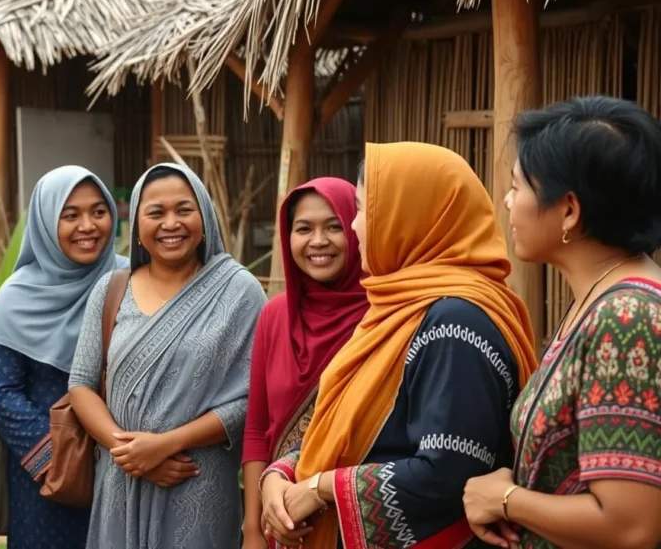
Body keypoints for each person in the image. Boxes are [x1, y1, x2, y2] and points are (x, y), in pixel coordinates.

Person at [259, 142, 540, 549]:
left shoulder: (454, 320)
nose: (354, 228)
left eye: (361, 211)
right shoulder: (396, 306)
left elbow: (449, 471)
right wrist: (281, 474)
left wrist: (321, 488)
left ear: (408, 217)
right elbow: (344, 425)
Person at [463, 96, 661, 549]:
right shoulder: (595, 301)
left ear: (569, 210)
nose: (508, 203)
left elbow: (631, 527)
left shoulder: (626, 318)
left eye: (517, 187)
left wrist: (505, 498)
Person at [68, 163, 267, 548]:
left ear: (205, 216)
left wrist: (165, 445)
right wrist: (128, 450)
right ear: (138, 226)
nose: (170, 223)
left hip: (197, 480)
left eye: (184, 210)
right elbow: (81, 384)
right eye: (156, 213)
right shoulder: (111, 289)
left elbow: (252, 401)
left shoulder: (240, 291)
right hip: (121, 479)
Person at [0, 165, 128, 549]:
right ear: (45, 222)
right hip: (51, 475)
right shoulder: (17, 297)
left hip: (127, 462)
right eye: (70, 215)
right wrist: (56, 462)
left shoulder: (130, 280)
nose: (88, 226)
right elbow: (4, 392)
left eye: (98, 211)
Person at [241, 178, 368, 549]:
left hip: (354, 519)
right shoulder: (274, 316)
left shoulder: (383, 315)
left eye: (333, 226)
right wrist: (253, 530)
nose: (318, 241)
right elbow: (257, 430)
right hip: (279, 520)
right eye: (303, 229)